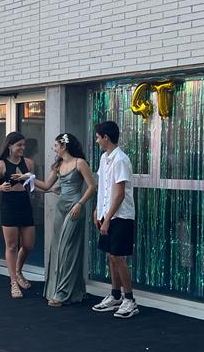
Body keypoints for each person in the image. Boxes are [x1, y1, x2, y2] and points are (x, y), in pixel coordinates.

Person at [35, 133, 97, 307]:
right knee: (57, 248)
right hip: (61, 208)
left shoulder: (80, 163)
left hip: (75, 208)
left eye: (56, 145)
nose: (54, 148)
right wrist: (29, 178)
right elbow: (46, 186)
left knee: (67, 249)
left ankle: (62, 293)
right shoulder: (58, 165)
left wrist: (80, 204)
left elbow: (92, 187)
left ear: (64, 146)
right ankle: (72, 290)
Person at [91, 120, 138, 318]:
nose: (96, 140)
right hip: (107, 213)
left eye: (98, 137)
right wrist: (97, 209)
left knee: (118, 256)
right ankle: (115, 295)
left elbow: (119, 194)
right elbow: (103, 186)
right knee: (111, 255)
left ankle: (130, 299)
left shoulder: (121, 159)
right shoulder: (104, 158)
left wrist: (108, 218)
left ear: (106, 137)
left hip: (121, 216)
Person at [0, 131, 36, 299]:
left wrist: (49, 190)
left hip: (24, 203)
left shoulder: (28, 163)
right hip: (8, 205)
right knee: (12, 245)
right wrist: (1, 187)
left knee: (28, 244)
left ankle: (18, 271)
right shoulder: (0, 165)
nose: (22, 148)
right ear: (9, 146)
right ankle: (13, 281)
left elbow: (32, 185)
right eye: (19, 145)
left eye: (23, 145)